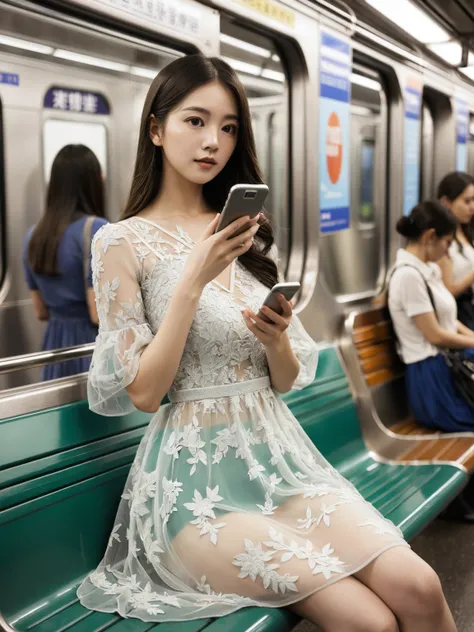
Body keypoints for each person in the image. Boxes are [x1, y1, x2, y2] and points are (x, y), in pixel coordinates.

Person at [77, 55, 456, 632]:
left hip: (279, 466)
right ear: (155, 129)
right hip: (196, 487)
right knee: (367, 622)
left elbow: (282, 379)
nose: (214, 142)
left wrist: (276, 340)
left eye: (229, 128)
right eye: (195, 121)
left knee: (420, 585)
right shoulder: (119, 243)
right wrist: (193, 281)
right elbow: (145, 393)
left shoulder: (240, 232)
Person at [22, 144, 108, 380]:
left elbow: (40, 311)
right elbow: (96, 314)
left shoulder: (34, 236)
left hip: (54, 345)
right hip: (89, 346)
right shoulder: (97, 229)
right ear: (93, 181)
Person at [389, 200, 474, 433]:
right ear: (430, 237)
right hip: (433, 378)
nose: (447, 251)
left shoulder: (429, 270)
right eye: (447, 243)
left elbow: (449, 321)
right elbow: (434, 335)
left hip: (449, 366)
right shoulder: (408, 276)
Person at [437, 171, 474, 329]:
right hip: (459, 315)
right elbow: (447, 291)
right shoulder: (441, 243)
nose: (472, 207)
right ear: (446, 202)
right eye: (466, 201)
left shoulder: (467, 233)